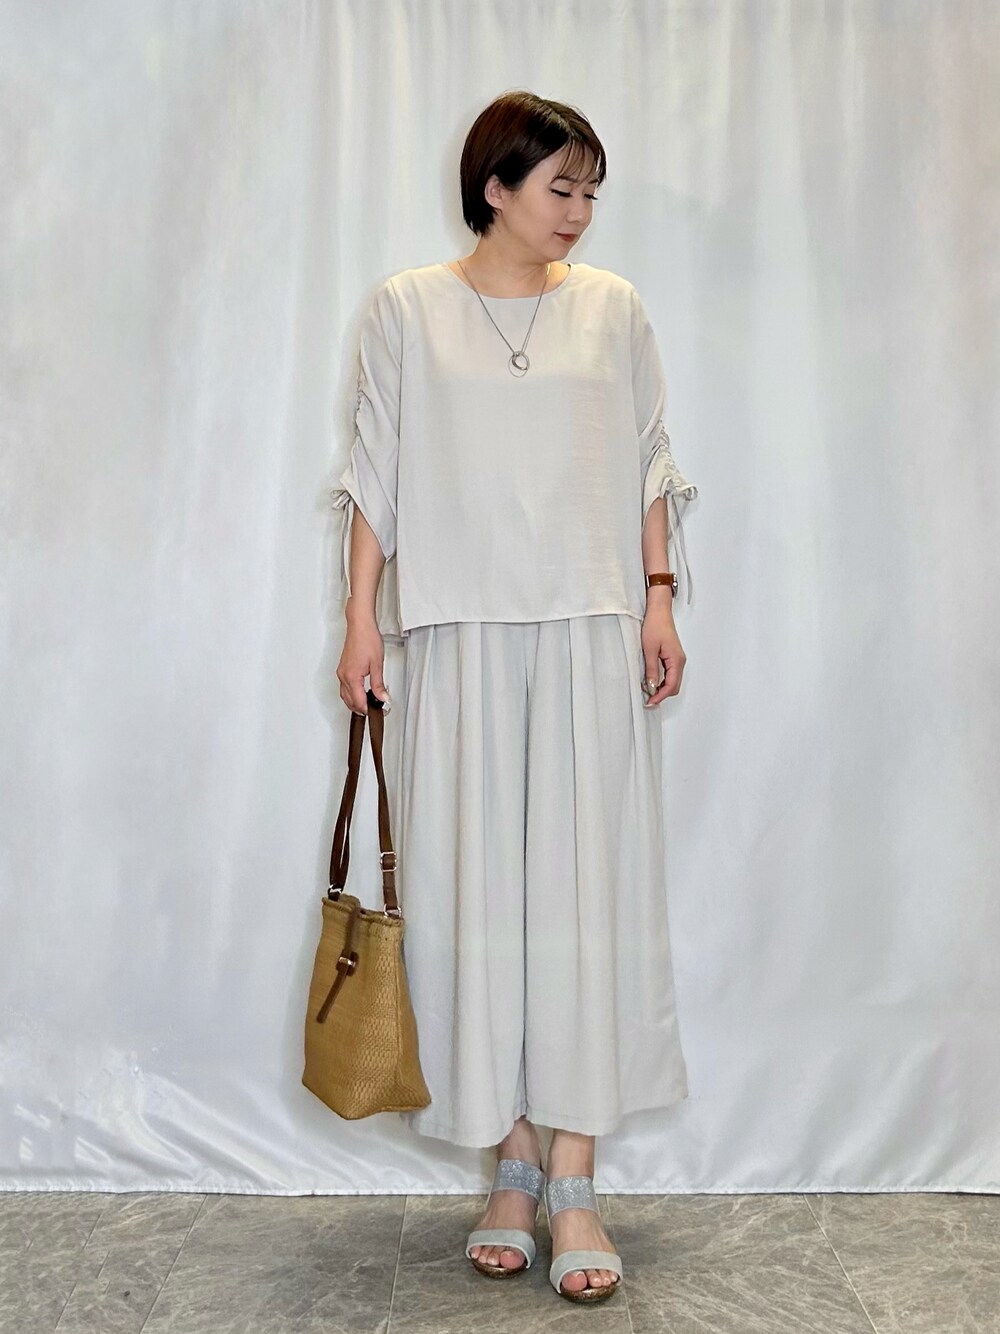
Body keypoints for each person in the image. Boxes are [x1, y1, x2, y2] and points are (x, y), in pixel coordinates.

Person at [331, 91, 697, 1304]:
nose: (579, 212)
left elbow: (646, 458)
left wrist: (657, 598)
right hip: (459, 631)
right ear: (495, 187)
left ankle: (576, 1176)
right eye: (560, 187)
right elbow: (375, 474)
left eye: (591, 190)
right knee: (479, 897)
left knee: (583, 898)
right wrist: (358, 620)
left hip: (590, 625)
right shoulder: (406, 307)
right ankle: (513, 1165)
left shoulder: (614, 308)